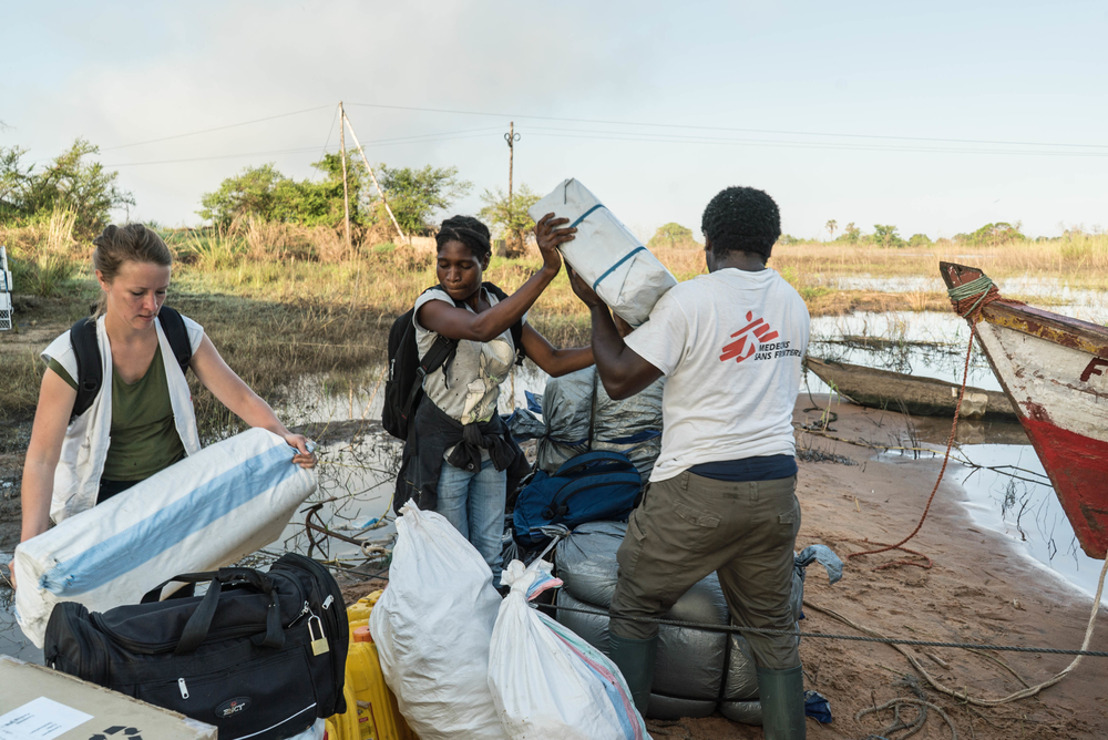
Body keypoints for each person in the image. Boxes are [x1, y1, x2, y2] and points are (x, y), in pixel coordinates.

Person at [568, 186, 810, 739]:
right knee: (772, 628)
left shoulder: (692, 300)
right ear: (769, 243)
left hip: (701, 487)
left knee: (635, 595)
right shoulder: (793, 303)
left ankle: (626, 729)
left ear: (710, 241)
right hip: (776, 487)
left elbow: (620, 378)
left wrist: (595, 306)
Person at [15, 223, 316, 576]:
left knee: (175, 601)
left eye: (161, 292)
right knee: (114, 613)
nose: (151, 305)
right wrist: (29, 550)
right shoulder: (73, 356)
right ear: (103, 280)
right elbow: (41, 460)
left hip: (174, 495)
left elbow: (243, 399)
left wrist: (283, 435)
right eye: (138, 292)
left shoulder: (181, 334)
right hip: (102, 504)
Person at [395, 213, 593, 581]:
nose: (452, 275)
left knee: (489, 557)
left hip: (490, 444)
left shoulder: (497, 302)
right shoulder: (431, 306)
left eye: (464, 266)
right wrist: (547, 271)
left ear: (485, 262)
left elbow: (553, 360)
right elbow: (479, 328)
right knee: (454, 559)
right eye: (444, 264)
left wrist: (618, 343)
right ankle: (456, 635)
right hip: (445, 449)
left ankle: (488, 632)